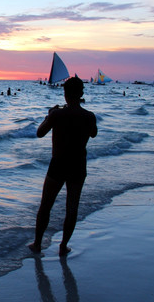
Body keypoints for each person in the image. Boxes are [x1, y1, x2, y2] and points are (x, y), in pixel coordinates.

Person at [28, 77, 97, 256]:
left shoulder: (57, 114)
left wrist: (48, 116)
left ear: (64, 94)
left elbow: (39, 133)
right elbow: (94, 134)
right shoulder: (89, 116)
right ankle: (63, 246)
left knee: (46, 205)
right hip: (78, 165)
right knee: (72, 208)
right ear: (81, 93)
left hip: (58, 163)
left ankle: (37, 244)